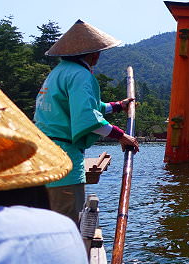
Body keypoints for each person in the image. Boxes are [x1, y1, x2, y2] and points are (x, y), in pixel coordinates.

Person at [0, 62, 93, 264]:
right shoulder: (57, 232)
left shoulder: (56, 73)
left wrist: (114, 107)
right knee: (69, 215)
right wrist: (118, 133)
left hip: (54, 146)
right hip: (67, 154)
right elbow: (86, 118)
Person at [34, 20, 139, 224]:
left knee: (47, 218)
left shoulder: (58, 72)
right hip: (63, 160)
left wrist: (118, 105)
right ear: (93, 54)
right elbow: (88, 119)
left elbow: (88, 107)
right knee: (68, 222)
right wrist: (122, 136)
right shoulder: (80, 75)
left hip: (43, 155)